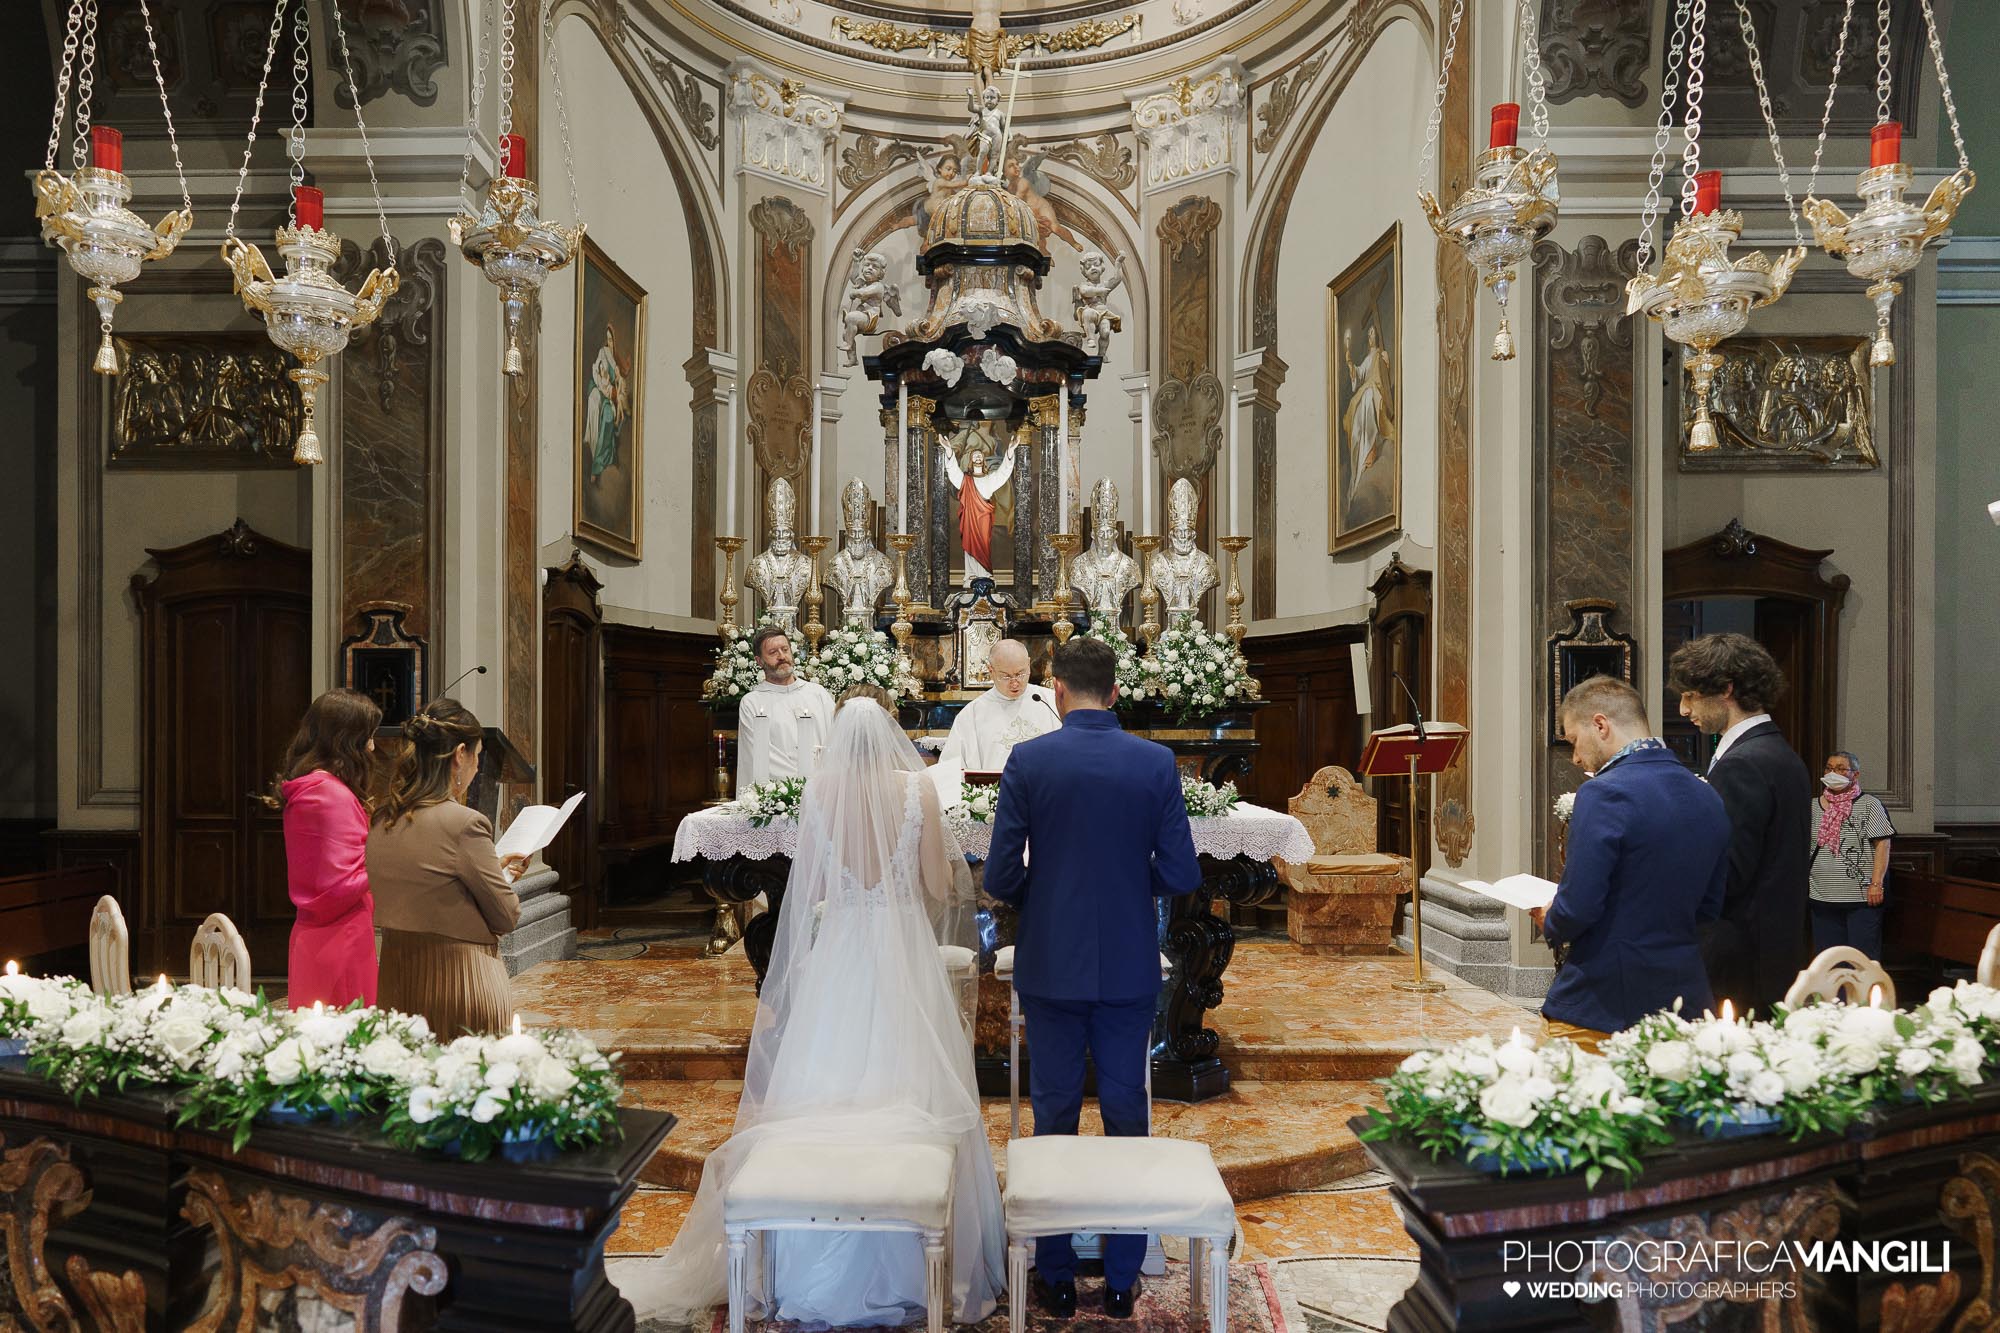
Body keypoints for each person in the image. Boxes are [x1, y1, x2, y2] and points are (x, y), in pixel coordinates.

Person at [623, 698, 1005, 1326]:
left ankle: (806, 1267)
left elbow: (814, 891)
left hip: (840, 954)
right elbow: (939, 887)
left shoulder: (820, 796)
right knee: (911, 1083)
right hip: (902, 951)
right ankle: (918, 1255)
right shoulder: (918, 794)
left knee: (825, 1088)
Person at [984, 637, 1203, 1319]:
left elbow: (998, 876)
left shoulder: (1030, 758)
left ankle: (1052, 1274)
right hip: (1130, 962)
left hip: (1051, 961)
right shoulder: (1155, 761)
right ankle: (1118, 1280)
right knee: (1126, 1115)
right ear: (1114, 693)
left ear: (1056, 688)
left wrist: (1043, 890)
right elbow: (1180, 872)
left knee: (1051, 1117)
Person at [1532, 677, 1730, 1035]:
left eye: (1574, 741)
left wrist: (1551, 918)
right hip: (1686, 1003)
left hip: (1605, 1000)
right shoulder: (1707, 795)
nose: (1575, 757)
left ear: (1600, 725)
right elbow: (1710, 907)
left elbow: (1579, 907)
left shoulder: (1604, 793)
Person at [366, 699, 529, 1037]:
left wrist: (492, 869)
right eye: (478, 754)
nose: (476, 765)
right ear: (459, 755)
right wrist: (501, 882)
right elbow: (505, 916)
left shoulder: (383, 817)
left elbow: (426, 885)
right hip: (459, 980)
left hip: (398, 980)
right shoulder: (464, 823)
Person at [1670, 632, 1814, 1013]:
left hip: (1740, 954)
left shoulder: (1743, 763)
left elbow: (1727, 874)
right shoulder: (1778, 752)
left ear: (1726, 688)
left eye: (1691, 695)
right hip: (1772, 948)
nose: (1684, 710)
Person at [271, 688, 382, 1009]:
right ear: (348, 740)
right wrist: (385, 856)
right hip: (340, 939)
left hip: (321, 936)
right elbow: (338, 887)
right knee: (345, 1042)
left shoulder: (315, 786)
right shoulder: (329, 794)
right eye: (368, 737)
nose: (373, 747)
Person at [1809, 750, 1895, 960]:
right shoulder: (1812, 805)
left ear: (1855, 775)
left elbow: (1883, 844)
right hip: (1822, 897)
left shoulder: (1869, 804)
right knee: (1828, 962)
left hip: (1861, 899)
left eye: (1840, 769)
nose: (1832, 773)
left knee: (1860, 962)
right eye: (1829, 768)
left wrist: (1876, 884)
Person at [735, 625, 837, 797]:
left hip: (824, 792)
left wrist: (825, 781)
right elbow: (762, 755)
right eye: (773, 652)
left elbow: (837, 740)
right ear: (759, 661)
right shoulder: (752, 702)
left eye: (785, 649)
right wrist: (804, 784)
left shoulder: (817, 693)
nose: (782, 656)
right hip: (779, 796)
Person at [937, 639, 1059, 771]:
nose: (1015, 683)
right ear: (991, 670)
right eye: (1006, 676)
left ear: (1028, 663)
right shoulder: (973, 714)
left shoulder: (1050, 702)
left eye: (1020, 674)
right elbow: (951, 769)